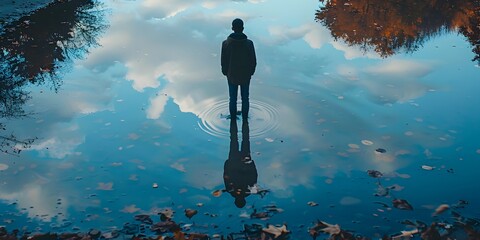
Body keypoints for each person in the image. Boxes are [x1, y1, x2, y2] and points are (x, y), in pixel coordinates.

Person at [221, 18, 257, 119]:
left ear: (232, 28)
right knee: (245, 98)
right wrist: (251, 72)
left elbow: (223, 61)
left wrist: (225, 73)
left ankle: (233, 119)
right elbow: (253, 61)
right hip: (245, 75)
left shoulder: (225, 44)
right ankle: (245, 119)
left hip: (231, 75)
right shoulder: (249, 43)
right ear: (243, 28)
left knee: (232, 99)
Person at [223, 119, 257, 208]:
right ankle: (242, 120)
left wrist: (252, 164)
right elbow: (226, 176)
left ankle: (238, 120)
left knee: (244, 140)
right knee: (234, 140)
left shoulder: (244, 192)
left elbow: (254, 177)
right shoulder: (231, 191)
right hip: (235, 161)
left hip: (242, 162)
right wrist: (227, 163)